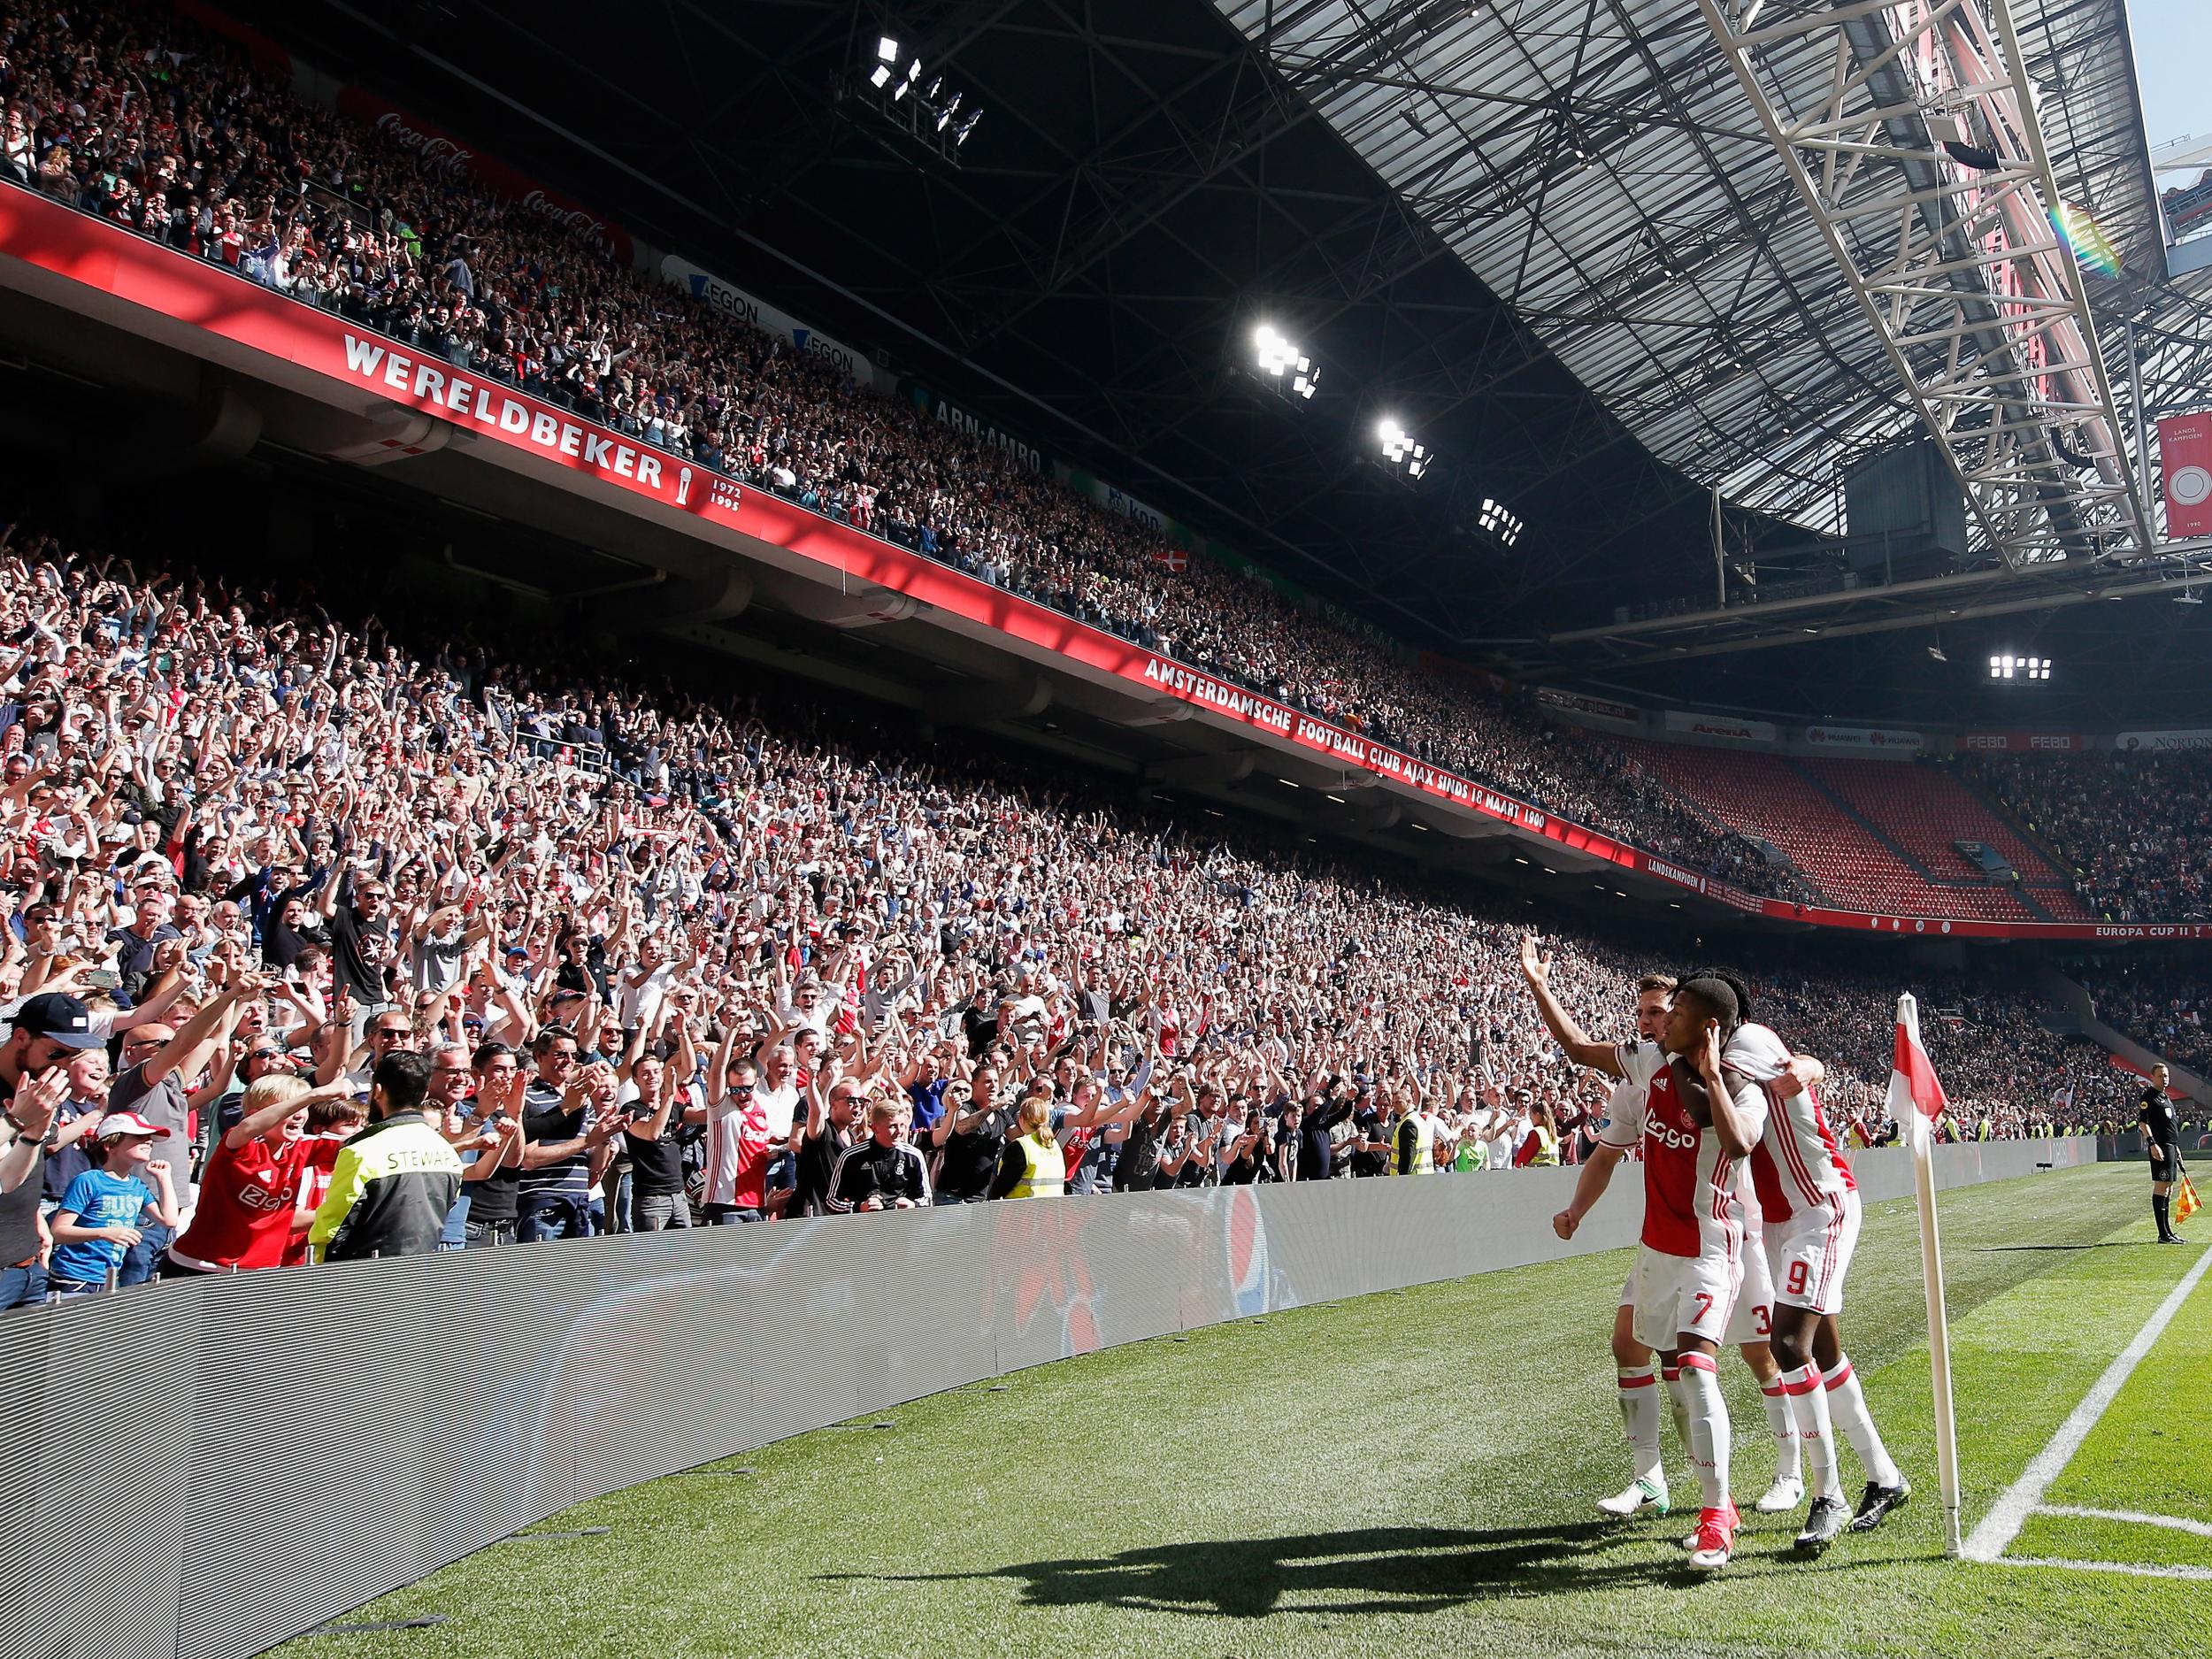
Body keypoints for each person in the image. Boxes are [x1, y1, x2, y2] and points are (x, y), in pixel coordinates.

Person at [1521, 937, 1768, 1571]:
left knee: (1695, 1366)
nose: (1660, 1022)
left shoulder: (1740, 1084)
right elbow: (1578, 1048)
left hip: (1711, 1246)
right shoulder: (1643, 1063)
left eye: (1675, 1011)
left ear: (1706, 1026)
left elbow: (1740, 1146)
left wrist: (1710, 1073)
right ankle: (1662, 1481)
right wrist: (1539, 983)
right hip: (1657, 1248)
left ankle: (1718, 1514)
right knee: (1638, 1349)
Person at [163, 1073, 356, 1274]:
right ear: (256, 1114)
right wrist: (314, 1095)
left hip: (260, 1272)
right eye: (291, 1108)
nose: (300, 1115)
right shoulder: (240, 1146)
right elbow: (248, 1127)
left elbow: (362, 1143)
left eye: (304, 1109)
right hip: (197, 1266)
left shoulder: (303, 1147)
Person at [306, 1052, 463, 1262]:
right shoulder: (447, 1152)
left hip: (362, 1278)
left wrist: (317, 1269)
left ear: (377, 1091)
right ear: (425, 1094)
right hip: (421, 1273)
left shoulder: (361, 1151)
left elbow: (332, 1227)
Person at [46, 1112, 181, 1297]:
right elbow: (58, 1232)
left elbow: (169, 1220)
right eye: (138, 1137)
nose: (148, 1142)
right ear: (110, 1145)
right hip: (75, 1278)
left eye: (149, 1138)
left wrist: (164, 1178)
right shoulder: (89, 1180)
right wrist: (105, 1233)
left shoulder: (136, 1186)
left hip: (109, 1278)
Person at [826, 1100, 932, 1211]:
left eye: (902, 1125)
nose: (899, 1131)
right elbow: (832, 1201)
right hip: (863, 1225)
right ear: (875, 1128)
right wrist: (860, 1207)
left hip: (901, 1223)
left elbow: (927, 1198)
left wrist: (913, 1205)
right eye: (893, 1126)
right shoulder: (851, 1156)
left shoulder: (913, 1156)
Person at [2143, 1063, 2186, 1245]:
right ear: (2152, 1077)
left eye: (2166, 1075)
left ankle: (2167, 1232)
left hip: (2170, 1146)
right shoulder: (2149, 1097)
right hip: (2160, 1146)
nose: (2164, 1079)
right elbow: (2142, 1123)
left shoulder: (2165, 1098)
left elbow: (2169, 1126)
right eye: (2160, 1075)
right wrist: (2153, 1144)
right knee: (2161, 1186)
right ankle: (2162, 1234)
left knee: (2168, 1187)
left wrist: (2175, 1147)